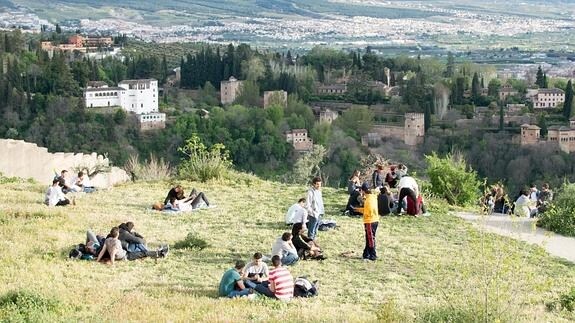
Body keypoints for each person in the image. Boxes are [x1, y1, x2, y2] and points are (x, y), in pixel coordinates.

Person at [359, 183, 379, 261]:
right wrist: (358, 209)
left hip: (370, 221)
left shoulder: (368, 200)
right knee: (369, 237)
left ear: (363, 191)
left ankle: (372, 254)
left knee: (370, 238)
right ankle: (366, 254)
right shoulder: (373, 196)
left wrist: (363, 212)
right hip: (375, 219)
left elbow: (368, 210)